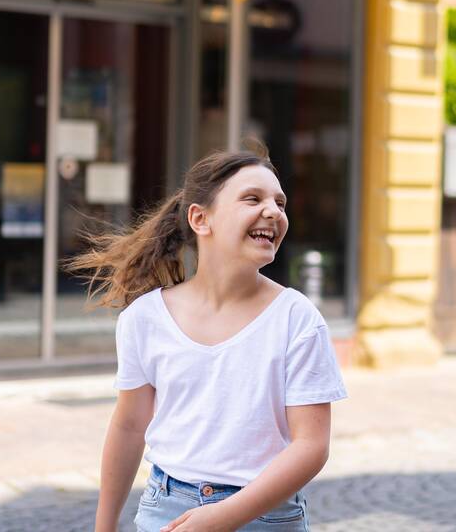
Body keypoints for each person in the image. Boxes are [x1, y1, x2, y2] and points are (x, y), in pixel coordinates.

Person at [70, 148, 347, 532]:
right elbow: (129, 426)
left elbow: (311, 446)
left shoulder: (297, 319)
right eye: (253, 198)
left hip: (266, 516)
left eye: (280, 203)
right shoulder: (144, 318)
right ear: (201, 218)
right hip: (166, 511)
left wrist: (223, 517)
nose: (274, 211)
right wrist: (104, 527)